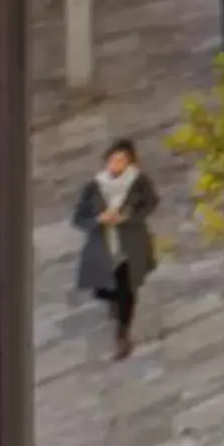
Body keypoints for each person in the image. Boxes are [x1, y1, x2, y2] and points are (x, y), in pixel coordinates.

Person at [72, 138, 158, 359]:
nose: (117, 164)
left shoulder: (138, 182)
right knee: (103, 290)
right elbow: (79, 217)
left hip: (130, 244)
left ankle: (123, 334)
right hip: (103, 245)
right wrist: (99, 219)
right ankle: (114, 305)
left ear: (129, 163)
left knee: (127, 289)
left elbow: (150, 203)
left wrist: (129, 217)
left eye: (122, 160)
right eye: (114, 160)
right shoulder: (94, 186)